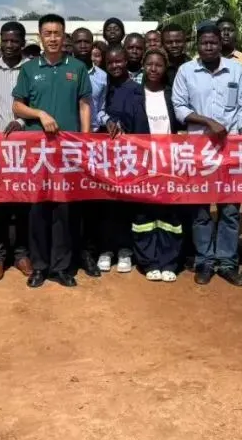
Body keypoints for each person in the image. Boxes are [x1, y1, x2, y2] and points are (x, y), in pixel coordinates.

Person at [13, 14, 92, 288]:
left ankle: (62, 267)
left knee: (64, 210)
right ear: (40, 37)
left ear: (64, 36)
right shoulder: (29, 69)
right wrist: (40, 113)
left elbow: (84, 104)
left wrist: (85, 140)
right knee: (38, 209)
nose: (53, 38)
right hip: (38, 152)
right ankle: (39, 266)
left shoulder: (77, 68)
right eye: (48, 33)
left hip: (68, 150)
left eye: (57, 33)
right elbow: (17, 106)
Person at [172, 20, 242, 286]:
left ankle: (227, 262)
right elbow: (180, 107)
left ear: (221, 43)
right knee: (201, 210)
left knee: (230, 209)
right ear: (197, 45)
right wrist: (208, 122)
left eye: (213, 42)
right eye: (204, 42)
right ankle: (204, 261)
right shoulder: (186, 71)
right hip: (199, 150)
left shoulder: (236, 70)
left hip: (230, 149)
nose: (208, 47)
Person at [107, 48, 184, 281]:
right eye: (149, 64)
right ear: (143, 65)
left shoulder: (172, 94)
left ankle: (169, 262)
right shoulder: (133, 94)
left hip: (169, 164)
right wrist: (115, 125)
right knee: (143, 216)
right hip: (142, 164)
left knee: (170, 216)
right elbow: (120, 120)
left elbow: (182, 122)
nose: (153, 69)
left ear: (165, 67)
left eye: (158, 65)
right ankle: (148, 261)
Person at [0, 22, 31, 280]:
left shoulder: (33, 68)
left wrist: (21, 122)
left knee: (23, 204)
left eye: (15, 41)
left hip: (26, 149)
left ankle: (22, 254)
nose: (10, 45)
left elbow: (36, 103)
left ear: (23, 43)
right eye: (5, 40)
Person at [70, 28, 110, 276]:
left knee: (90, 202)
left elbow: (101, 109)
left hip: (92, 142)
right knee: (68, 202)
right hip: (65, 142)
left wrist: (108, 120)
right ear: (72, 44)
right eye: (79, 41)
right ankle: (69, 252)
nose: (83, 46)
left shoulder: (102, 77)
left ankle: (87, 252)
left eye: (87, 42)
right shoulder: (64, 71)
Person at [97, 45, 139, 274]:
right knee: (105, 203)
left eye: (119, 61)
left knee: (125, 203)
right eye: (110, 62)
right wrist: (107, 121)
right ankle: (106, 249)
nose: (115, 66)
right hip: (104, 155)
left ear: (126, 61)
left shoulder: (137, 89)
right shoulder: (102, 86)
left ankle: (124, 249)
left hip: (129, 155)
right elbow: (96, 110)